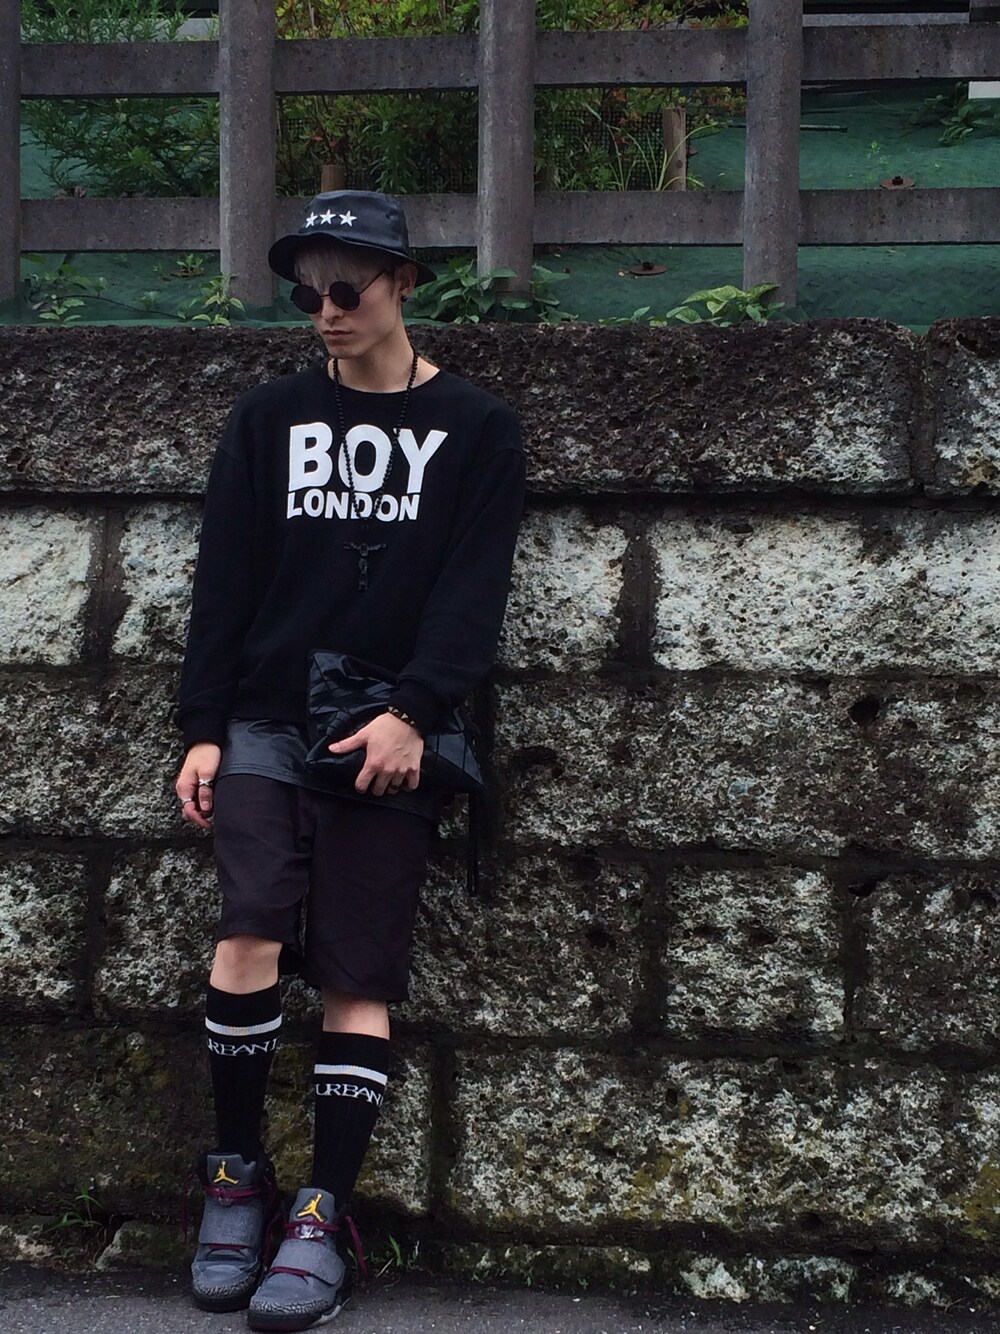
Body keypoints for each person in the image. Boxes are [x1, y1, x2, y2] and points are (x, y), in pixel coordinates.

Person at [173, 190, 525, 1332]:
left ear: (403, 285)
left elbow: (474, 591)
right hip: (268, 716)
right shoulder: (269, 417)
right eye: (306, 292)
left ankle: (322, 1214)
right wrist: (202, 725)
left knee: (358, 970)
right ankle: (235, 1179)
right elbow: (224, 578)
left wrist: (415, 710)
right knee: (247, 929)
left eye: (346, 287)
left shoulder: (475, 427)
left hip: (387, 724)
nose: (325, 310)